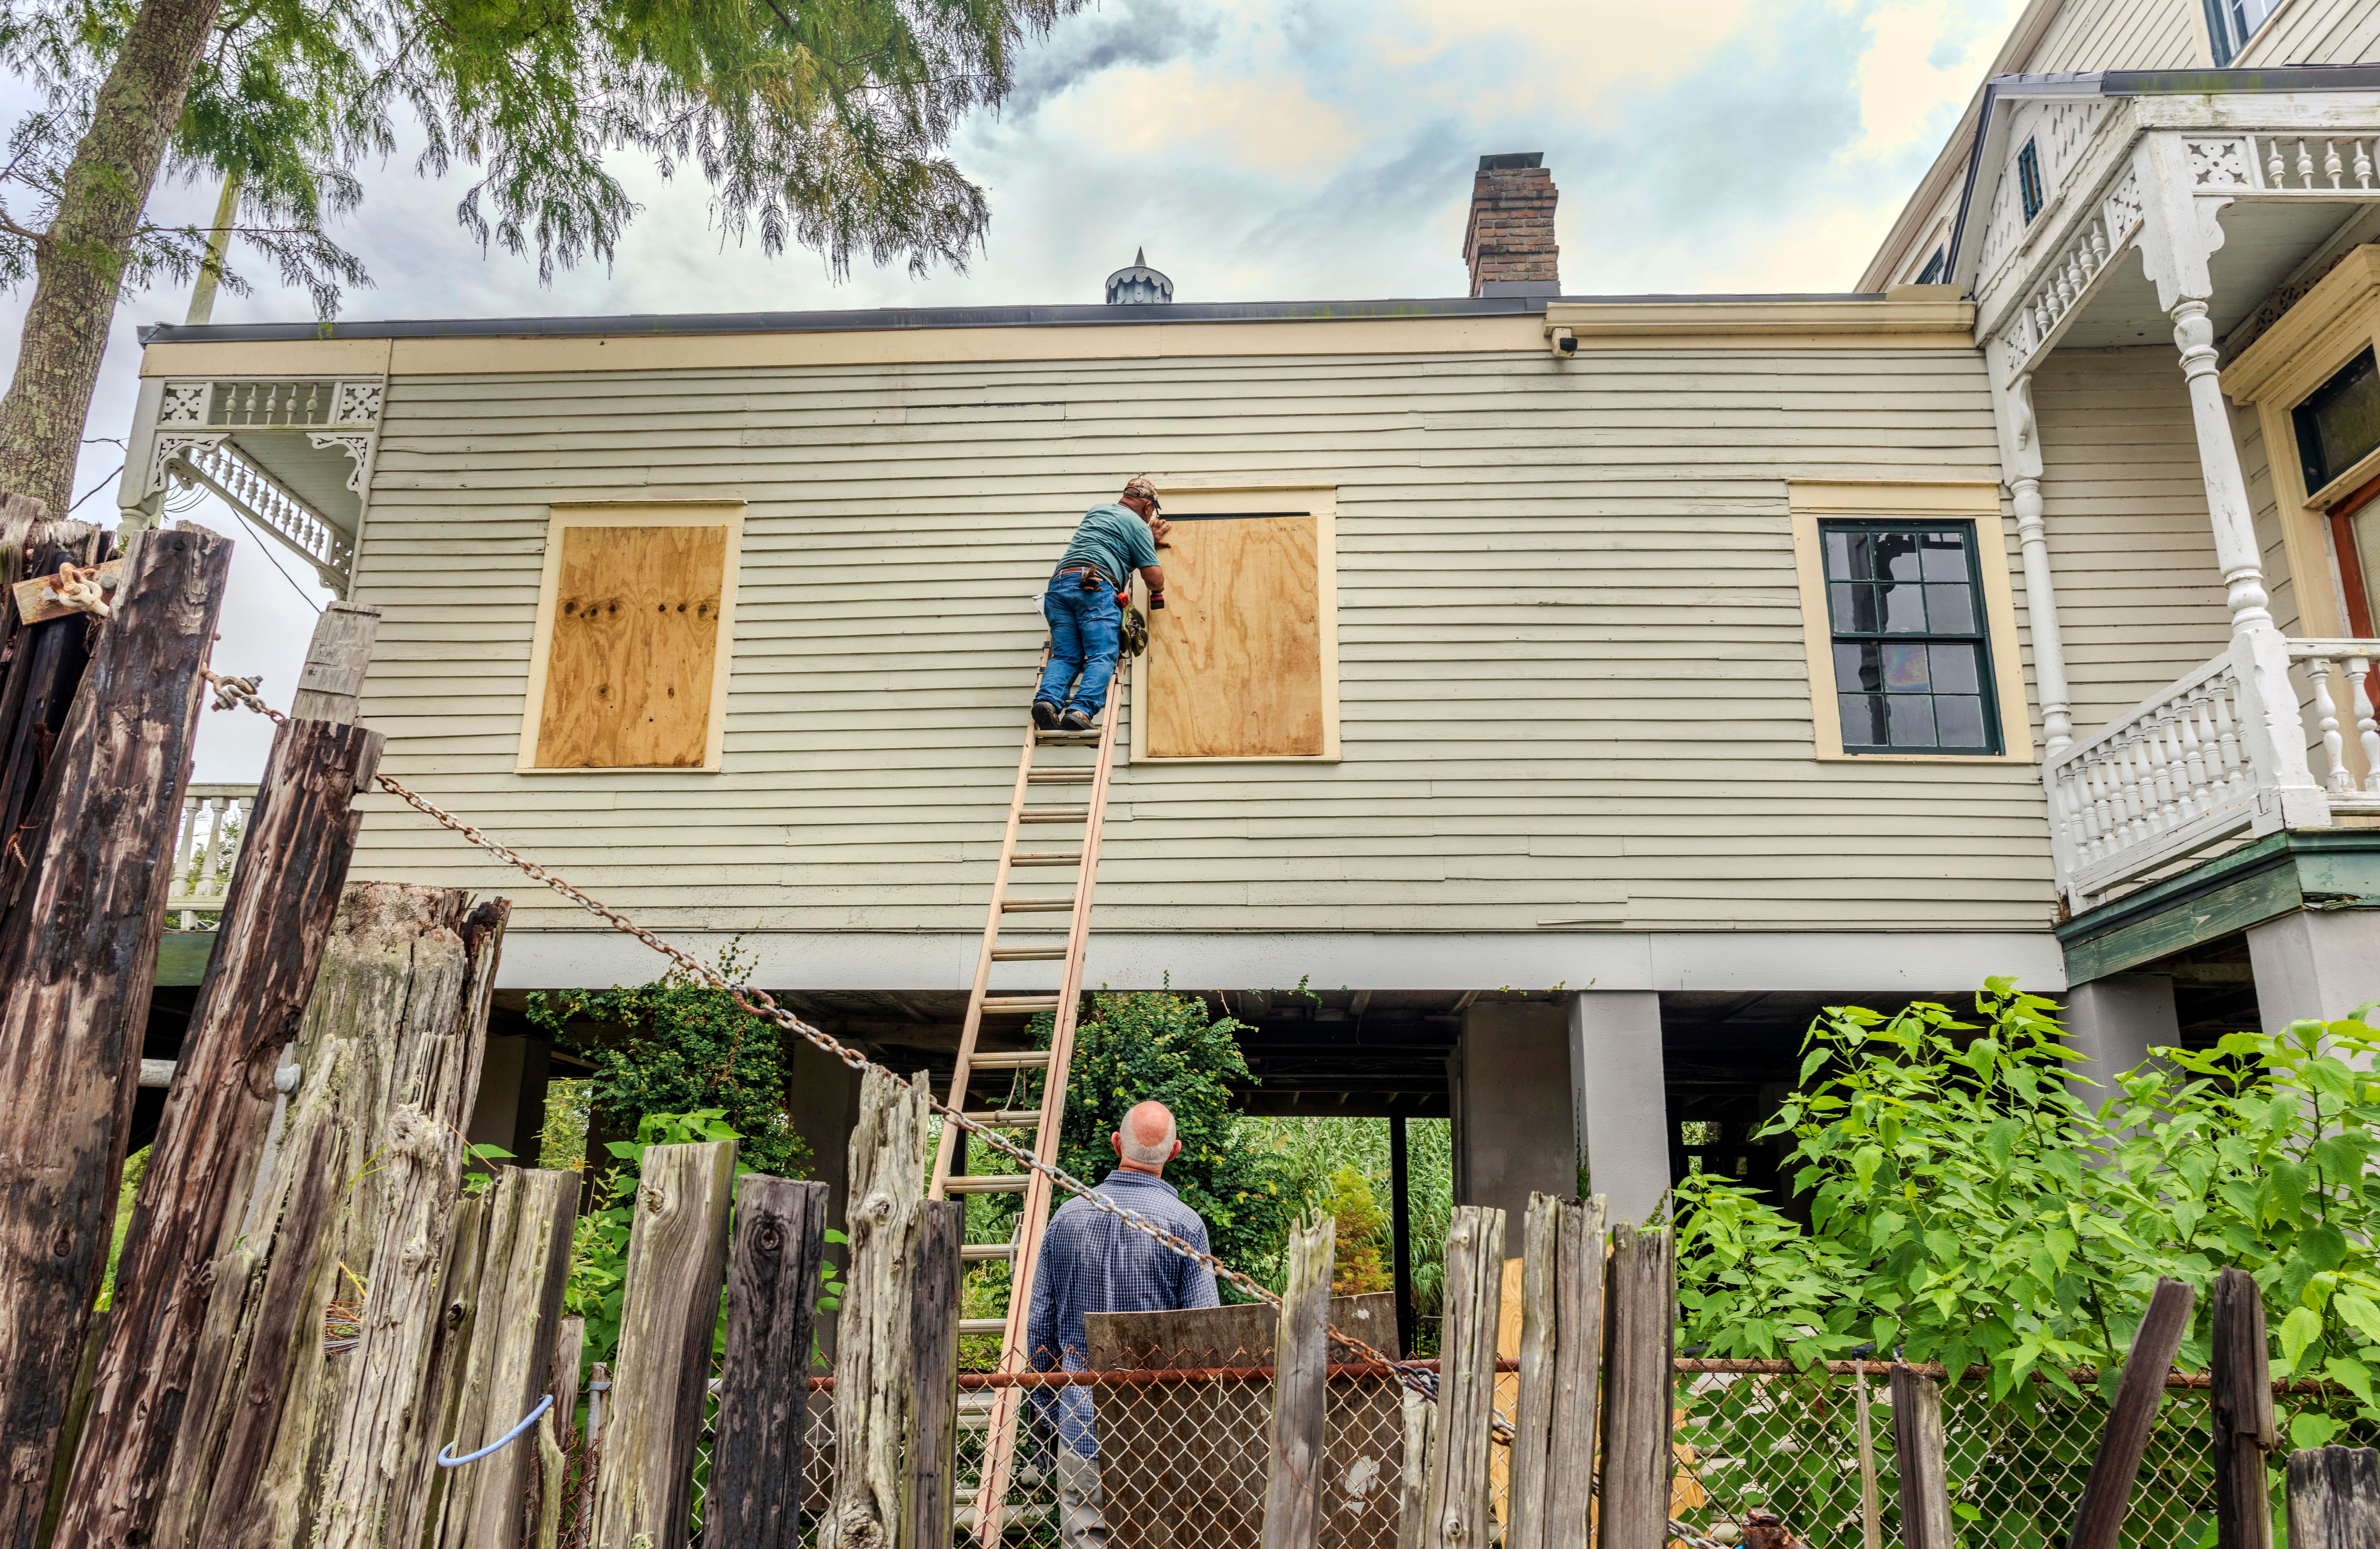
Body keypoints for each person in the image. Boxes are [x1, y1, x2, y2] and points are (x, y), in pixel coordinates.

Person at [1024, 1099, 1218, 1549]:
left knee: (1086, 1537)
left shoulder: (1066, 1219)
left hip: (1081, 1414)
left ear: (1117, 1144)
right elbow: (1206, 1340)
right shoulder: (1185, 1226)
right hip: (1163, 1425)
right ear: (1175, 1152)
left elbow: (1040, 1331)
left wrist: (1051, 1419)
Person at [1034, 477, 1169, 732]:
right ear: (1149, 508)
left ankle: (1047, 703)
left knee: (1066, 654)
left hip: (1060, 585)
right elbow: (1153, 580)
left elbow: (1111, 541)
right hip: (1095, 587)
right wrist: (1149, 550)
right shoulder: (1139, 527)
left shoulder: (1098, 510)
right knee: (1102, 653)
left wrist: (1145, 541)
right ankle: (1081, 710)